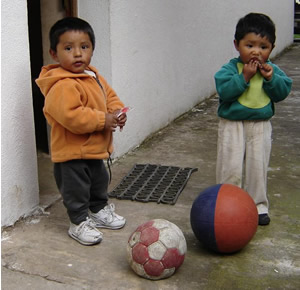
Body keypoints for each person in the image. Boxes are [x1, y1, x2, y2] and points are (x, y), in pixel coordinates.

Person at [36, 17, 127, 245]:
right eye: (68, 48)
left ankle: (97, 210)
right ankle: (78, 222)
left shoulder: (93, 76)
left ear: (92, 50)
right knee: (76, 190)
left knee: (99, 181)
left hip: (95, 148)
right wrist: (102, 120)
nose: (78, 54)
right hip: (71, 153)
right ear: (54, 54)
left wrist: (116, 112)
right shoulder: (62, 84)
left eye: (84, 47)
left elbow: (110, 96)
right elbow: (71, 116)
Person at [214, 13, 292, 226]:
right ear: (237, 45)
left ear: (272, 48)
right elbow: (224, 91)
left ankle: (258, 206)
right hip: (232, 124)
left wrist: (270, 78)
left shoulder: (271, 70)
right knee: (230, 166)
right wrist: (244, 78)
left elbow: (282, 91)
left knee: (258, 166)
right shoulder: (230, 69)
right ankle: (226, 203)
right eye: (250, 45)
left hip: (260, 125)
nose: (256, 51)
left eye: (263, 47)